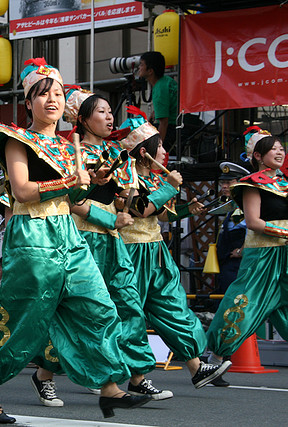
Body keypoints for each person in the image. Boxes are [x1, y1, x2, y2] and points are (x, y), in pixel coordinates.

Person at [0, 57, 152, 421]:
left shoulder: (71, 148)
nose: (51, 100)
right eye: (42, 94)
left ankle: (109, 387)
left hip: (68, 235)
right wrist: (69, 182)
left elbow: (73, 200)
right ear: (28, 103)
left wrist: (94, 182)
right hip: (32, 237)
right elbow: (22, 191)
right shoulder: (15, 140)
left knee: (97, 305)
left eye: (57, 93)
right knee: (24, 320)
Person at [65, 88, 173, 400]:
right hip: (82, 239)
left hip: (114, 242)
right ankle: (46, 372)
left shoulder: (117, 155)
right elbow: (71, 202)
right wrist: (110, 218)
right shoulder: (69, 152)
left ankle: (138, 376)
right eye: (101, 112)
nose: (111, 116)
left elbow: (130, 201)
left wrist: (157, 194)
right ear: (83, 119)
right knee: (80, 311)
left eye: (111, 111)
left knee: (129, 305)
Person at [116, 106, 231, 389]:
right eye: (160, 146)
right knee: (131, 314)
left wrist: (187, 209)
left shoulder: (154, 177)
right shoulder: (126, 175)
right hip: (131, 253)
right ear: (144, 151)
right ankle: (135, 377)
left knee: (172, 305)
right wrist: (169, 186)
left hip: (155, 250)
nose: (165, 151)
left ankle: (197, 367)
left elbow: (163, 214)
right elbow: (143, 209)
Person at [207, 127, 288, 363]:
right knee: (244, 301)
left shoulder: (284, 183)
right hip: (262, 255)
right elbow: (253, 222)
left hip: (284, 253)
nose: (279, 152)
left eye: (282, 148)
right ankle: (216, 355)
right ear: (258, 156)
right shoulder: (250, 184)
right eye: (273, 149)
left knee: (282, 304)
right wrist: (285, 232)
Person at [214, 161, 249, 294]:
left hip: (238, 261)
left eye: (229, 182)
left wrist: (241, 251)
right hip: (227, 259)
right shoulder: (233, 204)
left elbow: (251, 230)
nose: (224, 186)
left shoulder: (245, 204)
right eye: (223, 183)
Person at [137, 51, 178, 153]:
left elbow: (164, 123)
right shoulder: (167, 81)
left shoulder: (159, 89)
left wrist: (157, 149)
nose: (139, 68)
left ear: (150, 71)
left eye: (141, 64)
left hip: (171, 129)